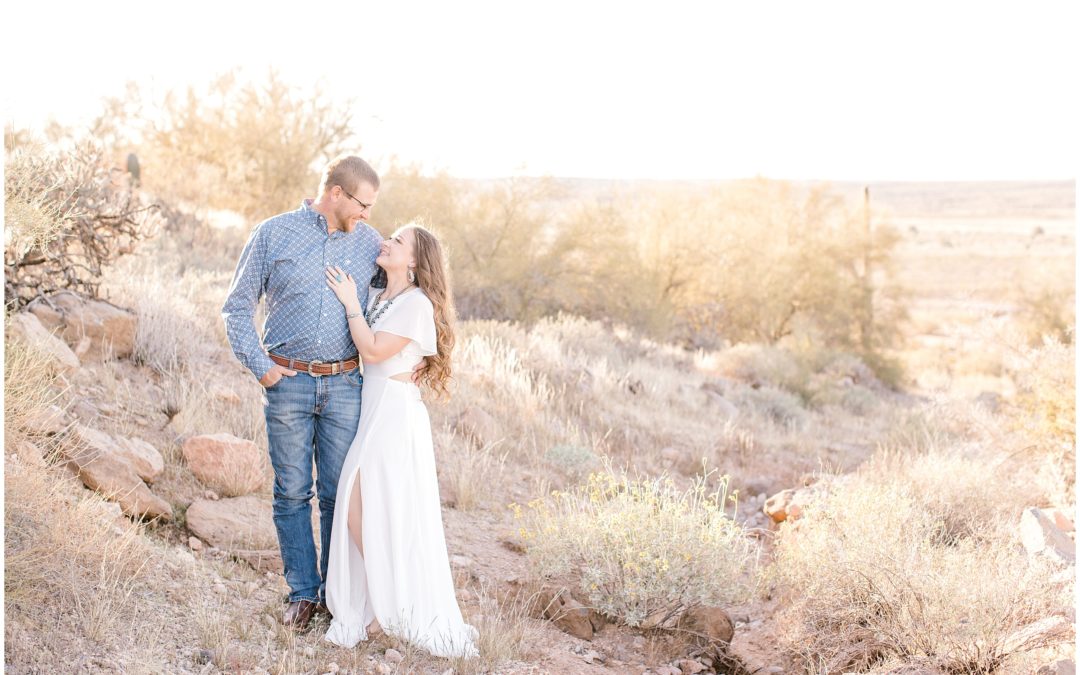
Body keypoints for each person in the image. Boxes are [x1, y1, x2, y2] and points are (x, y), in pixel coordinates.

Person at [222, 155, 383, 630]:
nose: (367, 215)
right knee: (292, 493)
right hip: (287, 383)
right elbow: (236, 308)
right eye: (363, 204)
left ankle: (337, 596)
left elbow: (400, 292)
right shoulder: (272, 234)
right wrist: (264, 370)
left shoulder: (369, 243)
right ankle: (302, 593)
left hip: (345, 384)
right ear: (335, 193)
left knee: (338, 494)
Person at [321, 223, 479, 658]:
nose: (387, 242)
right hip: (372, 406)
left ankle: (391, 604)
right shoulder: (379, 297)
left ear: (413, 260)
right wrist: (358, 301)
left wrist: (350, 302)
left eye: (398, 241)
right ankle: (385, 598)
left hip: (393, 412)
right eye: (389, 236)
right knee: (361, 506)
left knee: (368, 501)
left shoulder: (416, 305)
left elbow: (371, 351)